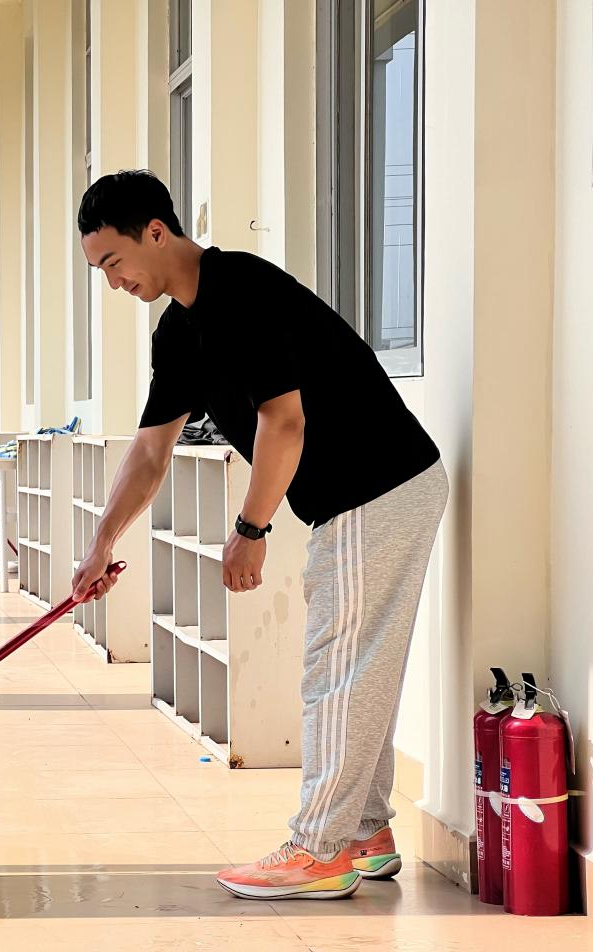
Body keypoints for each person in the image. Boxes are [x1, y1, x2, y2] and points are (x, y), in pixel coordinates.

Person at [71, 171, 448, 901]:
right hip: (370, 492)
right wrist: (100, 544)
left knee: (338, 669)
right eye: (99, 270)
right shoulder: (179, 332)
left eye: (113, 262)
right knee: (356, 665)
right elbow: (149, 451)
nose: (112, 282)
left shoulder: (240, 291)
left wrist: (251, 528)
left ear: (156, 232)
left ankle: (318, 850)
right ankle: (363, 832)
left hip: (375, 484)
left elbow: (284, 421)